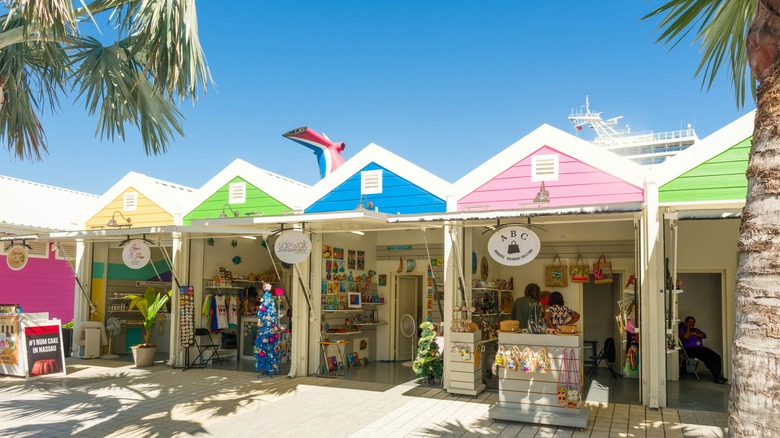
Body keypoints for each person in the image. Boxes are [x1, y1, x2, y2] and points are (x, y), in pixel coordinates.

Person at [679, 316, 728, 384]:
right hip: (690, 350)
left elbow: (704, 335)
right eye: (689, 322)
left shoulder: (696, 330)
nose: (691, 324)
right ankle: (718, 377)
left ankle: (717, 376)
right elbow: (686, 337)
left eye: (693, 322)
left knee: (717, 357)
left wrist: (694, 333)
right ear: (685, 323)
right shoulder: (682, 330)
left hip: (701, 348)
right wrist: (688, 328)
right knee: (706, 358)